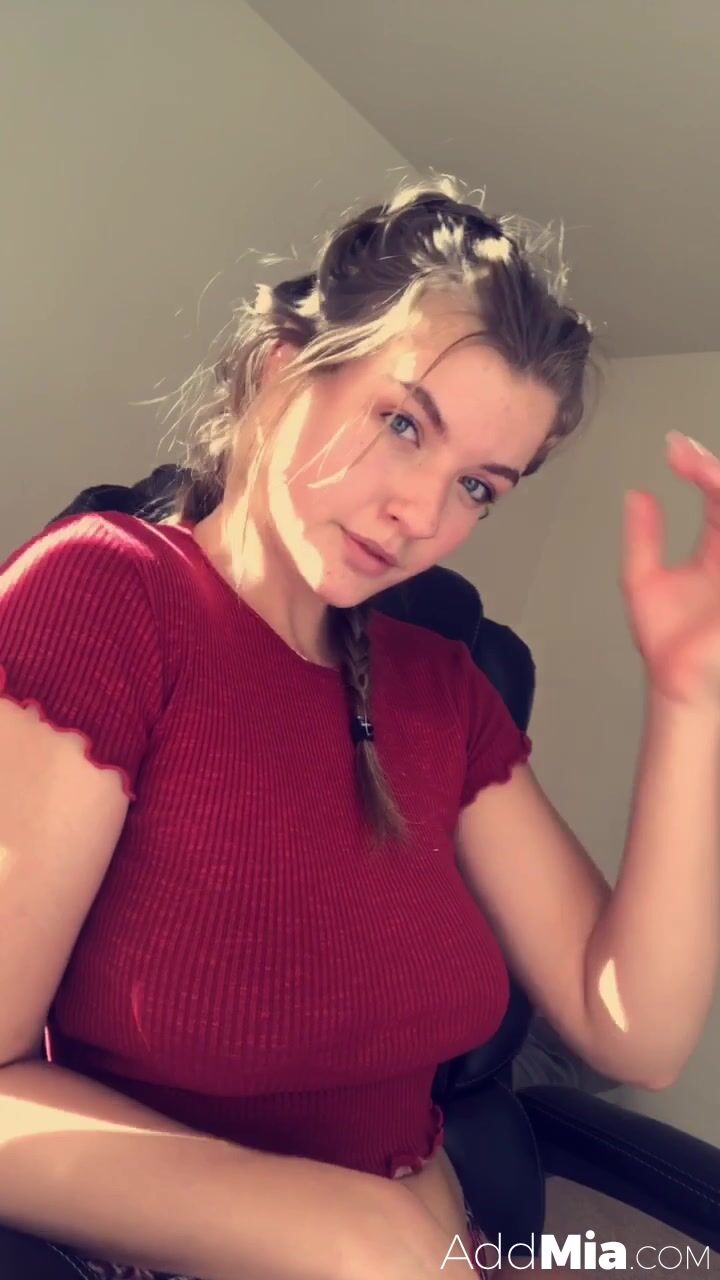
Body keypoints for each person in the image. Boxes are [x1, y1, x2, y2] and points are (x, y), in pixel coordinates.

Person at [0, 174, 718, 1280]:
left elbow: (632, 1027)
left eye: (479, 487)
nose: (422, 514)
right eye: (402, 423)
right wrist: (352, 1233)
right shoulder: (108, 595)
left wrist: (690, 697)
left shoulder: (445, 688)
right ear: (285, 367)